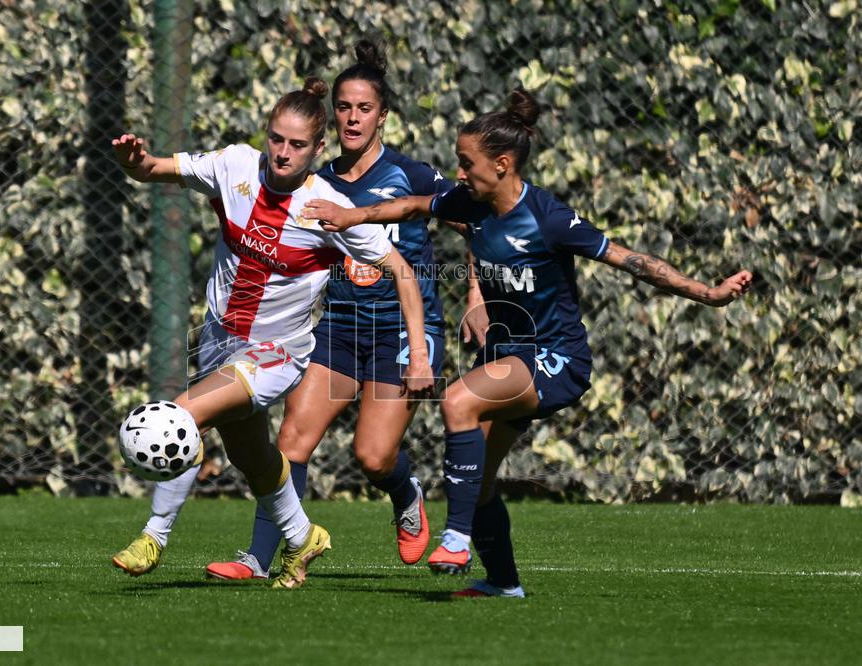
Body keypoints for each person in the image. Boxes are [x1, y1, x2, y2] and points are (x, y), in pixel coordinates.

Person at [305, 88, 754, 597]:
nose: (459, 171)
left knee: (457, 399)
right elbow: (409, 204)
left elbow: (633, 261)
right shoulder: (470, 203)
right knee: (478, 481)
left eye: (466, 162)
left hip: (556, 358)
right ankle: (503, 583)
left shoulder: (547, 218)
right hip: (506, 356)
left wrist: (708, 293)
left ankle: (454, 539)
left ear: (501, 164)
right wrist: (352, 217)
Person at [109, 77, 435, 589]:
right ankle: (303, 537)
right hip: (220, 340)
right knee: (255, 458)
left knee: (179, 416)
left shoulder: (329, 210)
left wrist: (419, 353)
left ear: (318, 148)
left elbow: (403, 272)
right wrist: (136, 163)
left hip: (276, 354)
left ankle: (154, 535)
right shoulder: (235, 165)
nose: (283, 153)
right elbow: (155, 168)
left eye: (298, 145)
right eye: (276, 139)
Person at [204, 38, 459, 581]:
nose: (352, 117)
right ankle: (259, 557)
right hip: (340, 327)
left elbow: (482, 216)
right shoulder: (315, 182)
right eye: (343, 107)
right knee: (292, 440)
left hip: (400, 331)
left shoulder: (411, 176)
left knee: (373, 457)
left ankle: (406, 492)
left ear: (383, 116)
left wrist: (477, 299)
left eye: (364, 108)